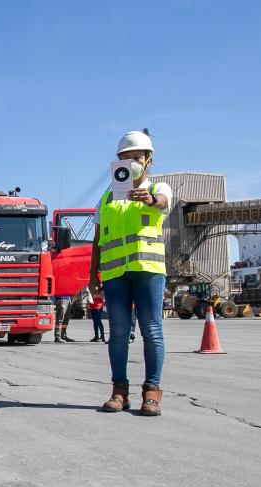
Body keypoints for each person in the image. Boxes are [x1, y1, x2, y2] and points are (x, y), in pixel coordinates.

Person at [89, 130, 172, 416]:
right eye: (125, 158)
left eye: (136, 157)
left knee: (151, 330)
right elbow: (97, 239)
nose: (131, 162)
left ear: (148, 160)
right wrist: (91, 277)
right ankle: (119, 391)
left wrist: (148, 198)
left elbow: (162, 202)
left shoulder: (159, 187)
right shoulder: (107, 198)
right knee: (119, 333)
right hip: (114, 274)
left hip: (147, 270)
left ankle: (151, 393)